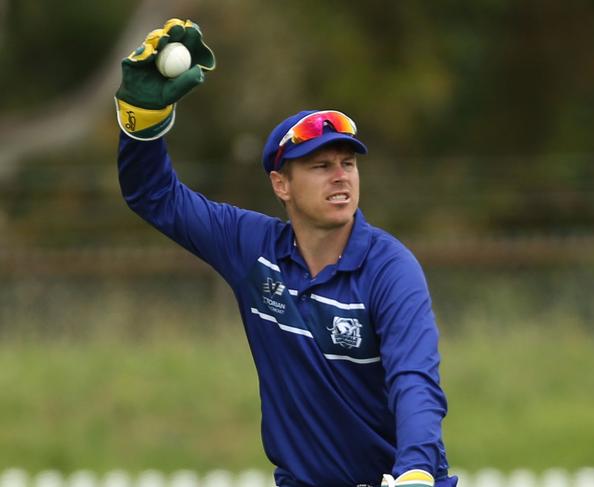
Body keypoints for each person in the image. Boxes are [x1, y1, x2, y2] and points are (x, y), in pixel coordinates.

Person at [115, 19, 459, 487]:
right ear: (282, 185)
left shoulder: (390, 268)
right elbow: (154, 196)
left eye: (348, 163)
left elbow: (414, 378)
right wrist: (142, 123)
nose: (341, 176)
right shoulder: (252, 249)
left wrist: (416, 469)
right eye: (320, 166)